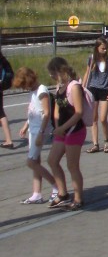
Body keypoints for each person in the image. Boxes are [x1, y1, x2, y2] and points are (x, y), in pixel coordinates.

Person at [47, 56, 87, 211]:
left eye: (52, 73)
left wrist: (63, 128)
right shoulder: (60, 86)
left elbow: (78, 112)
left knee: (72, 165)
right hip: (62, 130)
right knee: (52, 160)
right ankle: (63, 193)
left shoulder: (74, 87)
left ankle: (78, 199)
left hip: (75, 130)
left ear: (60, 70)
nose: (51, 76)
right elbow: (57, 109)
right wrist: (57, 126)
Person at [15, 66, 57, 204]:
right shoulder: (33, 91)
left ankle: (56, 186)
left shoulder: (41, 90)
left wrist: (41, 133)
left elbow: (46, 113)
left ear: (29, 80)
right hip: (33, 130)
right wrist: (26, 125)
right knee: (36, 162)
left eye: (24, 85)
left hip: (41, 130)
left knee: (31, 162)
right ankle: (37, 193)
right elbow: (34, 111)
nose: (24, 88)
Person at [82, 39, 108, 153]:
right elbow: (87, 73)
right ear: (97, 48)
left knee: (103, 118)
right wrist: (82, 88)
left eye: (106, 48)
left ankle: (106, 140)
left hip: (105, 90)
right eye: (103, 48)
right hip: (93, 89)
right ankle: (95, 144)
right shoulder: (92, 59)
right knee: (94, 119)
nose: (105, 50)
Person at [0, 44, 16, 148]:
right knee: (1, 113)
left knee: (1, 114)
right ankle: (9, 140)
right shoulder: (2, 58)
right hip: (0, 87)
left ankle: (9, 140)